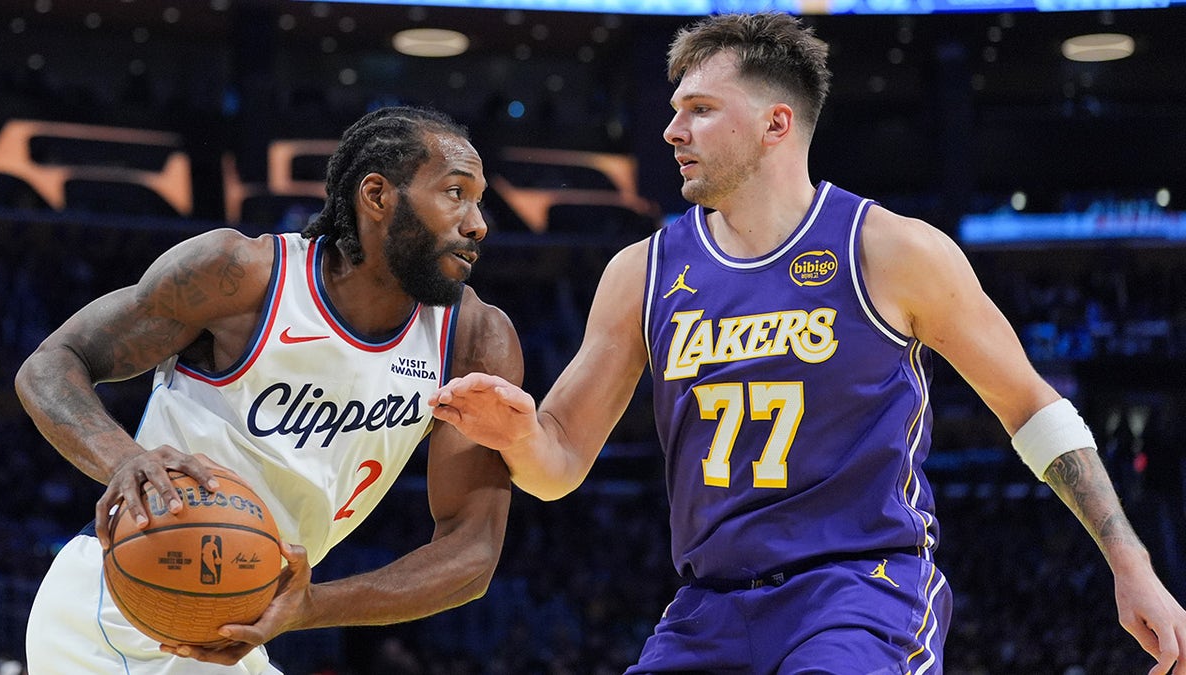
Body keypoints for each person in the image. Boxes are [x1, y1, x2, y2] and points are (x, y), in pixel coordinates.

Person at [429, 12, 1186, 674]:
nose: (672, 131)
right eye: (674, 109)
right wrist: (523, 433)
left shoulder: (891, 250)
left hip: (861, 593)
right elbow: (557, 464)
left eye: (699, 109)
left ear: (775, 123)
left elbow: (1032, 408)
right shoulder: (643, 272)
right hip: (707, 606)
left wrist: (1132, 564)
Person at [16, 106, 523, 673]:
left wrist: (308, 606)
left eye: (478, 200)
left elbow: (472, 554)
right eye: (455, 193)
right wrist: (123, 460)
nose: (478, 222)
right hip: (109, 618)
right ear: (377, 196)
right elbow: (52, 364)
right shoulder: (241, 276)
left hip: (233, 629)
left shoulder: (473, 340)